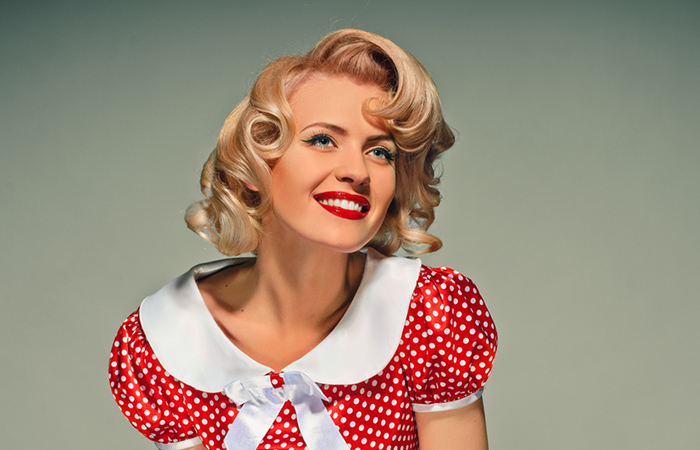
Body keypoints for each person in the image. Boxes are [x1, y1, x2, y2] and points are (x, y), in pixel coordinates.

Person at [109, 29, 497, 450]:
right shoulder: (169, 337)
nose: (358, 172)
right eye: (323, 140)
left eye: (380, 151)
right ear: (256, 165)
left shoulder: (428, 316)